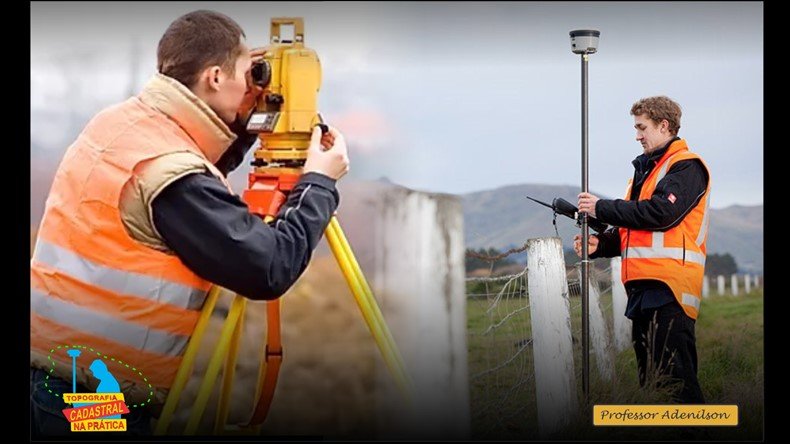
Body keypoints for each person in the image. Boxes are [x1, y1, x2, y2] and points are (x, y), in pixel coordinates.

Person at [30, 10, 349, 436]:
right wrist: (319, 184)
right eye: (247, 72)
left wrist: (246, 126)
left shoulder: (122, 124)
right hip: (92, 403)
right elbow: (269, 267)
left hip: (50, 374)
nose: (254, 83)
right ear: (215, 77)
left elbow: (193, 174)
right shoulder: (170, 177)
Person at [574, 96, 710, 404]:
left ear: (664, 126)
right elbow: (634, 229)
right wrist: (602, 245)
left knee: (676, 385)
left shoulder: (686, 166)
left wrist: (601, 208)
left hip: (670, 290)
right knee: (653, 385)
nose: (637, 136)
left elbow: (662, 214)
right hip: (642, 291)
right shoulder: (645, 172)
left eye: (641, 127)